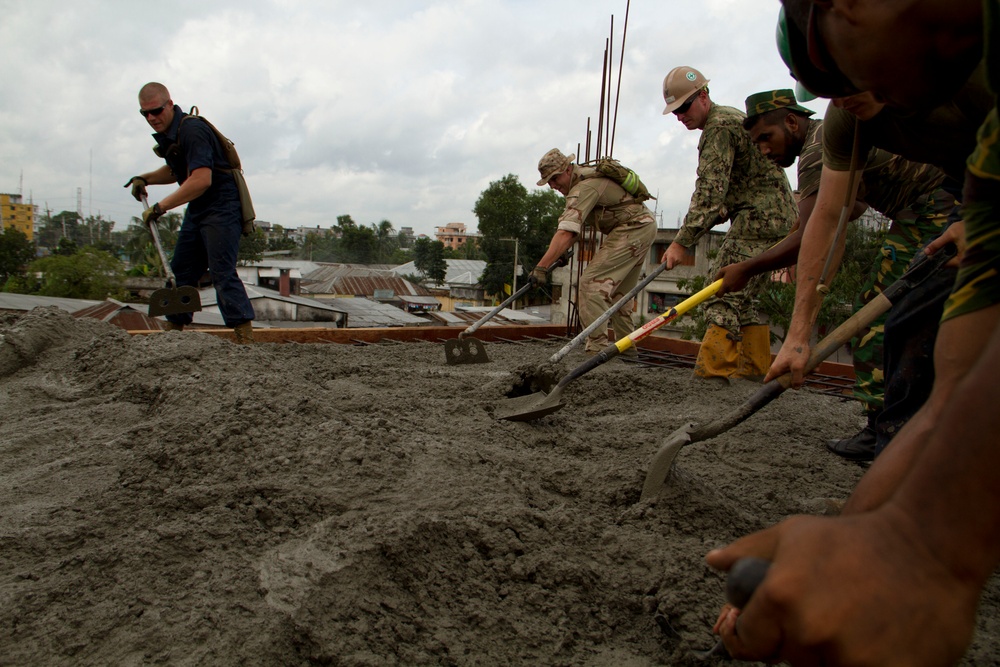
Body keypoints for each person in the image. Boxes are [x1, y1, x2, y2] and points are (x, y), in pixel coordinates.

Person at [707, 1, 1000, 663]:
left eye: (841, 72)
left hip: (957, 199)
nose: (851, 95)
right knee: (948, 367)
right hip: (975, 194)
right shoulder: (854, 122)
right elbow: (827, 220)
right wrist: (866, 543)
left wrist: (926, 556)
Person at [719, 88, 956, 461]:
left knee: (880, 314)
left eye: (766, 137)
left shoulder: (817, 150)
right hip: (927, 207)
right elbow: (850, 204)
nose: (763, 150)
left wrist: (747, 268)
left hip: (940, 205)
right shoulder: (830, 138)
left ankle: (884, 430)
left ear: (792, 122)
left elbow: (822, 227)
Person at [660, 67, 799, 381]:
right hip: (779, 217)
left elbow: (709, 190)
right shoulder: (730, 117)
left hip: (759, 219)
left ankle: (713, 378)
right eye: (675, 111)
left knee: (720, 290)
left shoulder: (718, 127)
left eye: (685, 107)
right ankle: (752, 374)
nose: (680, 116)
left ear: (704, 97)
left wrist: (683, 241)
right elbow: (740, 179)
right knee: (744, 297)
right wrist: (726, 206)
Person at [125, 82, 256, 344]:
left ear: (170, 104)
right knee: (182, 269)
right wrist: (145, 178)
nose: (152, 118)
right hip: (200, 205)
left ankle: (244, 337)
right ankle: (174, 332)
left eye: (156, 111)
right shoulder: (173, 134)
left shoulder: (192, 129)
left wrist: (160, 207)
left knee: (221, 271)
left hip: (221, 203)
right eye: (145, 114)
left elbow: (201, 179)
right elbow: (177, 170)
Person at [533, 148, 656, 353]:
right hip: (643, 227)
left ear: (567, 170)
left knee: (590, 285)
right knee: (619, 295)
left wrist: (541, 268)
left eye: (555, 179)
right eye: (549, 182)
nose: (553, 186)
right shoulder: (585, 181)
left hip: (633, 228)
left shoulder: (584, 187)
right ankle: (628, 352)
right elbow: (573, 231)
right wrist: (560, 253)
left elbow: (566, 232)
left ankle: (597, 351)